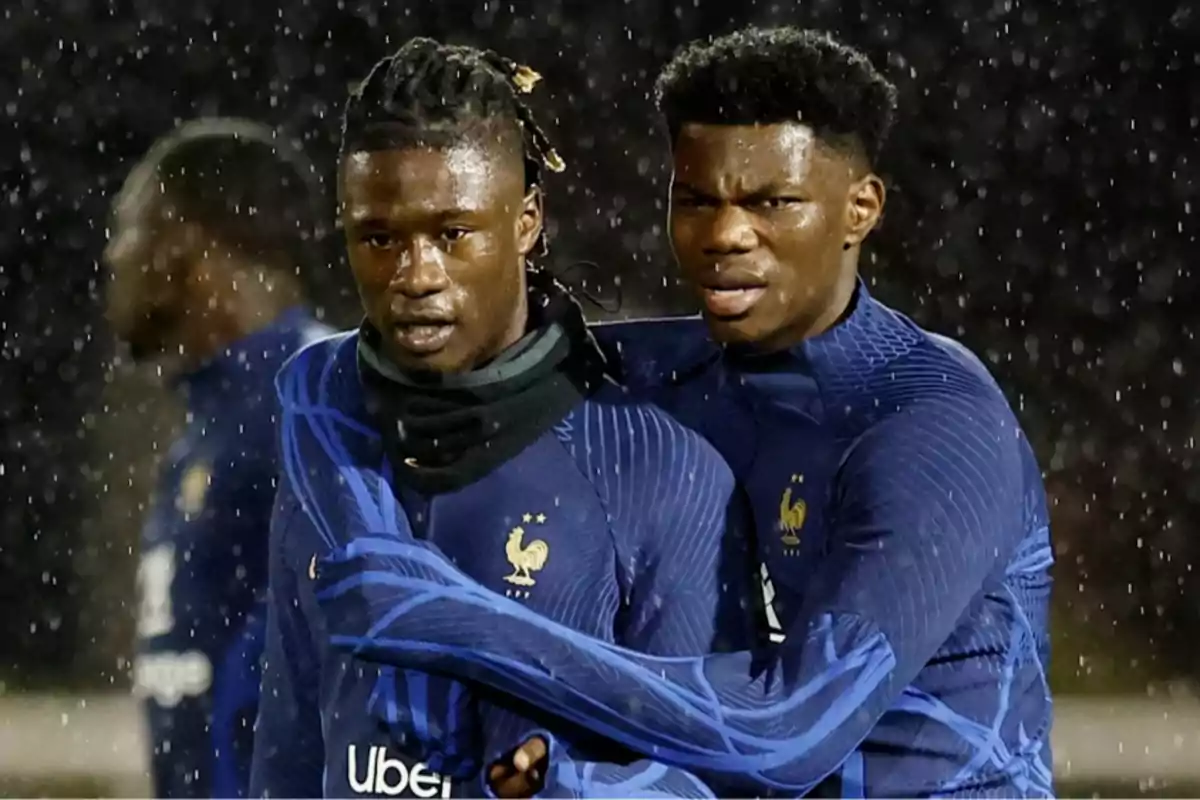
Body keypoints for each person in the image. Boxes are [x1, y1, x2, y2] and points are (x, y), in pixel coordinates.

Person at [312, 26, 1056, 798]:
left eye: (773, 203)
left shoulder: (933, 425)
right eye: (697, 200)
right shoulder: (656, 375)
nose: (725, 235)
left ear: (860, 209)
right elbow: (424, 365)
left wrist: (457, 623)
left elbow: (788, 732)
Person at [250, 38, 755, 799]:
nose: (415, 275)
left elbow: (715, 768)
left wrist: (555, 786)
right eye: (379, 238)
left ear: (525, 221)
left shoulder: (655, 463)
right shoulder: (324, 435)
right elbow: (288, 757)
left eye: (453, 235)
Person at [104, 118, 333, 798]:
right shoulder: (215, 421)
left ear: (186, 245)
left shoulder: (322, 403)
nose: (114, 257)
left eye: (130, 229)